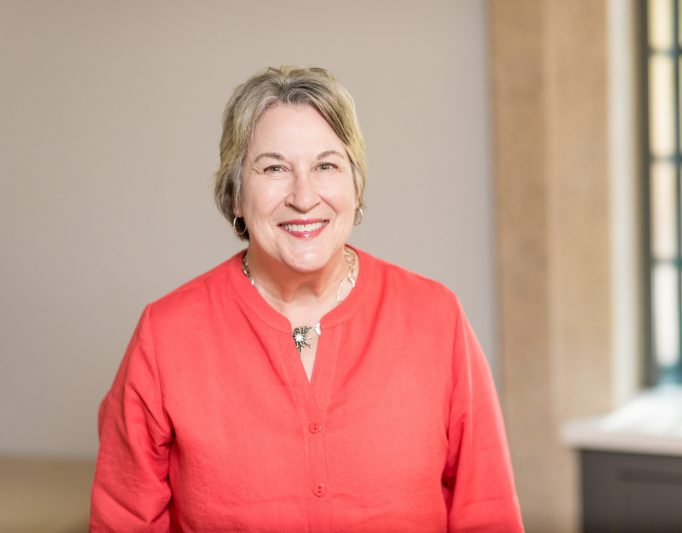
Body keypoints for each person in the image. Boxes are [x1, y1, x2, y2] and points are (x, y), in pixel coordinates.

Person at [90, 65, 523, 532]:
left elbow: (488, 514)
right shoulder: (166, 334)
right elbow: (123, 521)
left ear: (354, 187)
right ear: (236, 194)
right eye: (274, 168)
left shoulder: (437, 318)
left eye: (326, 165)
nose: (303, 196)